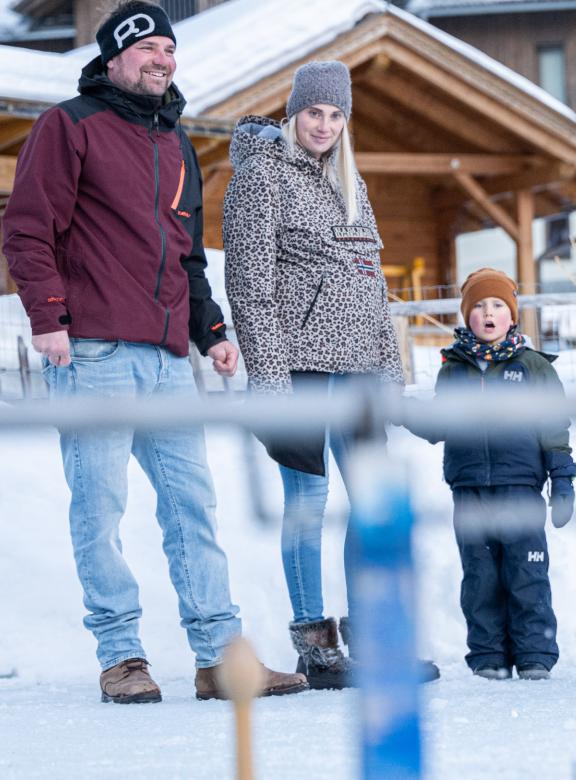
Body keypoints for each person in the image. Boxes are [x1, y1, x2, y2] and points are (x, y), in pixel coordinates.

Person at [0, 0, 306, 703]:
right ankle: (122, 656)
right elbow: (27, 229)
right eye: (145, 50)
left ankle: (218, 655)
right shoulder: (67, 125)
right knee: (99, 509)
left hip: (170, 359)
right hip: (94, 351)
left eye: (168, 49)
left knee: (192, 508)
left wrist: (213, 330)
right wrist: (48, 316)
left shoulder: (176, 143)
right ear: (113, 58)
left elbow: (187, 255)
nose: (160, 59)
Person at [220, 59, 435, 687]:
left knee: (372, 500)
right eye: (314, 112)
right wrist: (270, 377)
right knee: (307, 503)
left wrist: (389, 376)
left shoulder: (350, 180)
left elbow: (374, 289)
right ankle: (315, 647)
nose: (324, 124)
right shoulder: (262, 175)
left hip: (360, 366)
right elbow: (250, 285)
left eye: (335, 114)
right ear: (293, 113)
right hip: (300, 367)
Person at [409, 269, 576, 681]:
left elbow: (554, 425)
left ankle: (535, 653)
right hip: (469, 489)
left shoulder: (534, 367)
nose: (488, 313)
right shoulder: (453, 369)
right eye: (479, 306)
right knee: (480, 577)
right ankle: (488, 656)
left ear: (512, 314)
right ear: (467, 315)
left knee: (526, 572)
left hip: (520, 487)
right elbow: (440, 424)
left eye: (498, 305)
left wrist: (562, 478)